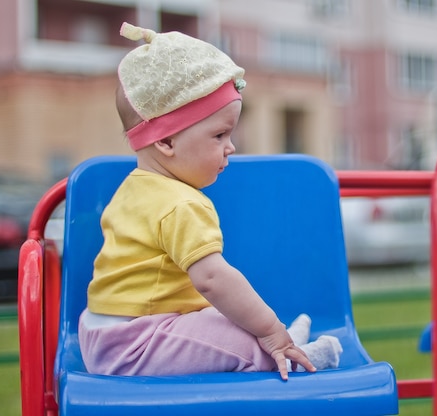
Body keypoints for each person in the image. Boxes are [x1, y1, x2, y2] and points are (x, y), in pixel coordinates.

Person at [78, 22, 342, 381]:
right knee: (236, 335)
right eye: (219, 135)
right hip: (135, 344)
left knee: (221, 318)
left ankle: (280, 342)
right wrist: (269, 330)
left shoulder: (134, 189)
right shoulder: (181, 203)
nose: (230, 147)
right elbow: (213, 280)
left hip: (106, 335)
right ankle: (289, 352)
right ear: (167, 142)